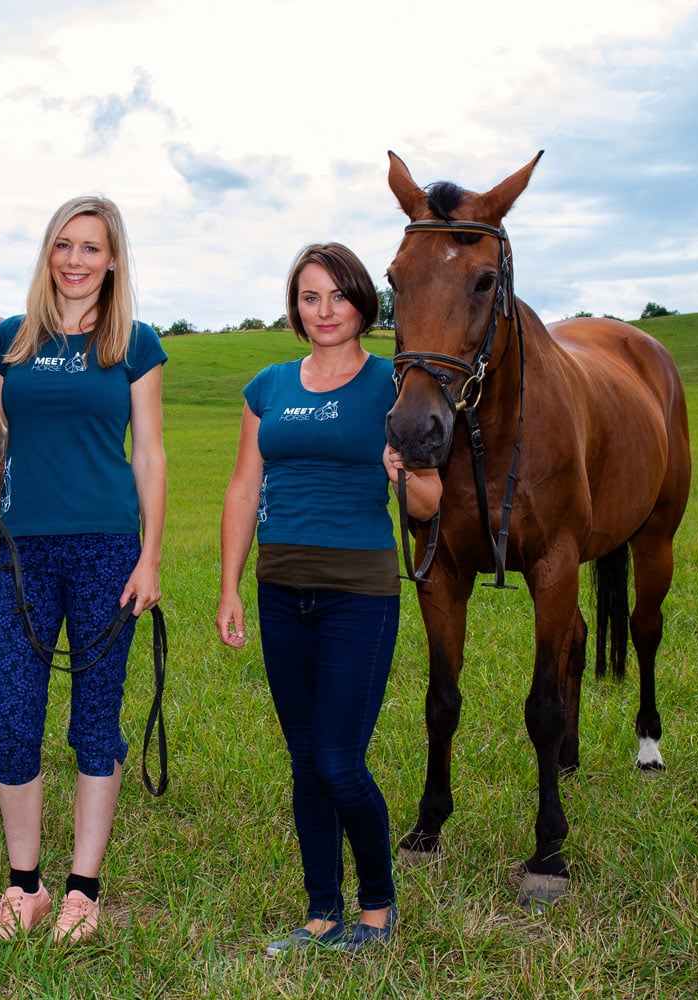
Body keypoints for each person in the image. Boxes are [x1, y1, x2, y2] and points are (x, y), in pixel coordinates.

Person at [215, 242, 442, 955]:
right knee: (305, 758)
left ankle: (378, 904)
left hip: (359, 596)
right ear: (296, 306)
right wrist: (230, 587)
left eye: (338, 296)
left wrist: (399, 471)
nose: (324, 310)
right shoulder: (269, 386)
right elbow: (244, 488)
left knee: (339, 760)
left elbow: (431, 502)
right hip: (280, 589)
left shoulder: (391, 386)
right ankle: (321, 912)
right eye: (310, 297)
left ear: (361, 303)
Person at [0, 195, 166, 944]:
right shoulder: (7, 341)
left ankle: (82, 890)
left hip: (107, 550)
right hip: (19, 552)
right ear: (49, 255)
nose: (76, 260)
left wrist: (151, 555)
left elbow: (149, 453)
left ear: (112, 262)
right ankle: (24, 886)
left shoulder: (134, 344)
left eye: (92, 248)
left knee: (94, 721)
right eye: (64, 246)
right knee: (15, 716)